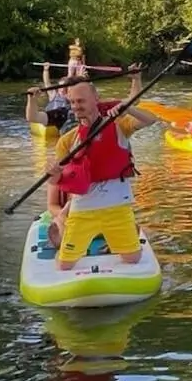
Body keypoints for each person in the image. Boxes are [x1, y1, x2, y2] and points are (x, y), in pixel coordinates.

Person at [44, 74, 156, 270]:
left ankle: (117, 242)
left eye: (81, 101)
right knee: (64, 265)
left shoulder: (119, 125)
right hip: (83, 209)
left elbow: (151, 120)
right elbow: (59, 181)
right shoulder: (67, 141)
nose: (76, 106)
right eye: (72, 102)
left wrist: (126, 107)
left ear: (96, 99)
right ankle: (64, 234)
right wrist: (53, 175)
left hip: (118, 207)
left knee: (132, 259)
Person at [26, 64, 72, 133]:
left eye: (65, 88)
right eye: (60, 87)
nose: (62, 90)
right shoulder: (53, 94)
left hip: (58, 122)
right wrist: (46, 70)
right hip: (50, 118)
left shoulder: (72, 102)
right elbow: (47, 83)